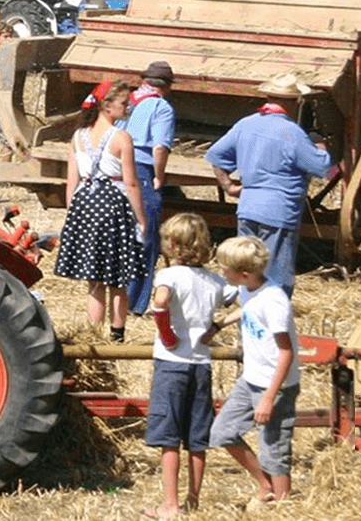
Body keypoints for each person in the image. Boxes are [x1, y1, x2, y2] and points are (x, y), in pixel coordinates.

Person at [204, 74, 333, 295]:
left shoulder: (246, 124)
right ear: (294, 102)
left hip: (248, 207)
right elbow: (322, 168)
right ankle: (272, 323)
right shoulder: (292, 132)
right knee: (276, 277)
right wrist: (320, 144)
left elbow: (215, 156)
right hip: (279, 211)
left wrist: (228, 187)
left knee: (246, 270)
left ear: (267, 96)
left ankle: (247, 320)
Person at [141, 213, 226, 520]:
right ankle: (194, 499)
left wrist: (167, 334)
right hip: (201, 364)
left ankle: (171, 504)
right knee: (197, 436)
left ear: (174, 245)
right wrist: (216, 327)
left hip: (172, 362)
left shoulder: (169, 276)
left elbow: (160, 303)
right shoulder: (215, 280)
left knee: (169, 436)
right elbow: (245, 300)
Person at [206, 235, 300, 506]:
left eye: (225, 268)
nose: (222, 271)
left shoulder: (274, 301)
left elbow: (287, 352)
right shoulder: (249, 290)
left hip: (276, 385)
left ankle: (282, 504)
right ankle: (265, 484)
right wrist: (219, 325)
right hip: (251, 380)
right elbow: (248, 309)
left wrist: (269, 397)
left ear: (244, 274)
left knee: (274, 448)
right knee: (222, 432)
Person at [54, 80, 149, 342]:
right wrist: (141, 219)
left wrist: (72, 213)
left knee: (93, 278)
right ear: (106, 106)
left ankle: (92, 334)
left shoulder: (77, 137)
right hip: (112, 205)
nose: (127, 108)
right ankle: (116, 335)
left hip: (85, 203)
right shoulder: (121, 138)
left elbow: (71, 182)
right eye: (123, 103)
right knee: (118, 277)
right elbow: (131, 182)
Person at [123, 62, 179, 318]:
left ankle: (118, 297)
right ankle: (134, 302)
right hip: (144, 172)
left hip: (121, 170)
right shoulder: (161, 107)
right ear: (166, 86)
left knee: (124, 236)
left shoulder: (129, 100)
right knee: (146, 238)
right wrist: (159, 177)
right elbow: (159, 147)